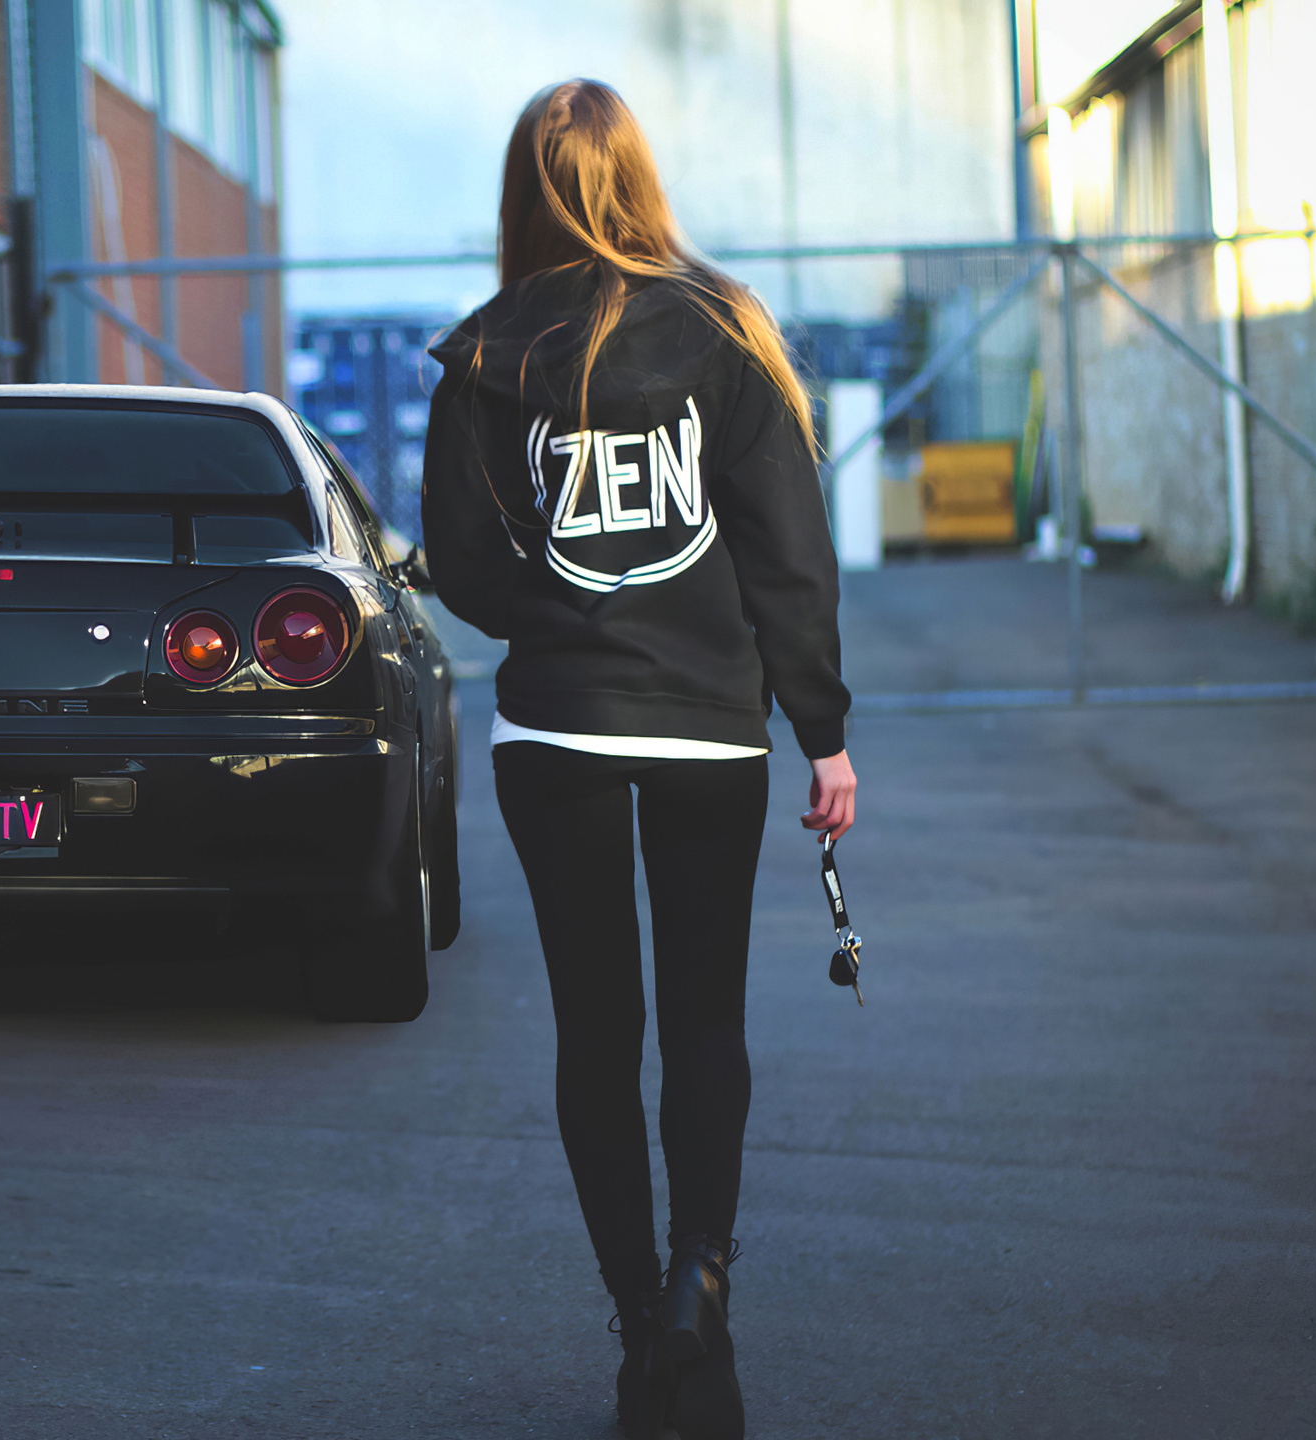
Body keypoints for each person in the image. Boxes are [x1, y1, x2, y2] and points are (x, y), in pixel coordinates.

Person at [420, 79, 856, 1440]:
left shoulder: (485, 356)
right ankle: (699, 1295)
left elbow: (467, 569)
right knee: (705, 1021)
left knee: (597, 1039)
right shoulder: (728, 331)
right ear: (640, 177)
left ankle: (635, 1340)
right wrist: (823, 731)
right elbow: (789, 553)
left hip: (553, 731)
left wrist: (554, 602)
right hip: (708, 733)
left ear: (522, 191)